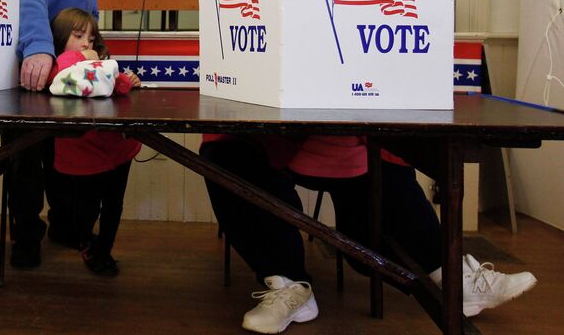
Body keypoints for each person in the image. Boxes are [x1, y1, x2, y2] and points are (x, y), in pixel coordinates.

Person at [201, 134, 537, 334]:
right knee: (225, 152)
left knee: (386, 160)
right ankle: (287, 285)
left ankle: (454, 280)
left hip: (347, 136)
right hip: (268, 128)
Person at [1, 0, 101, 268]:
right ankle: (26, 234)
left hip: (76, 50)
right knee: (27, 150)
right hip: (35, 48)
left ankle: (66, 223)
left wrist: (91, 36)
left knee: (74, 144)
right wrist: (40, 49)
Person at [45, 7, 141, 276]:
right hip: (84, 154)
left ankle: (104, 251)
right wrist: (81, 58)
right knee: (85, 209)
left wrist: (128, 80)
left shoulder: (99, 63)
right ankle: (87, 243)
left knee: (114, 204)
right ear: (61, 37)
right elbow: (65, 72)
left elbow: (117, 83)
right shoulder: (57, 67)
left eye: (90, 36)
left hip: (116, 148)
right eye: (78, 36)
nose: (86, 43)